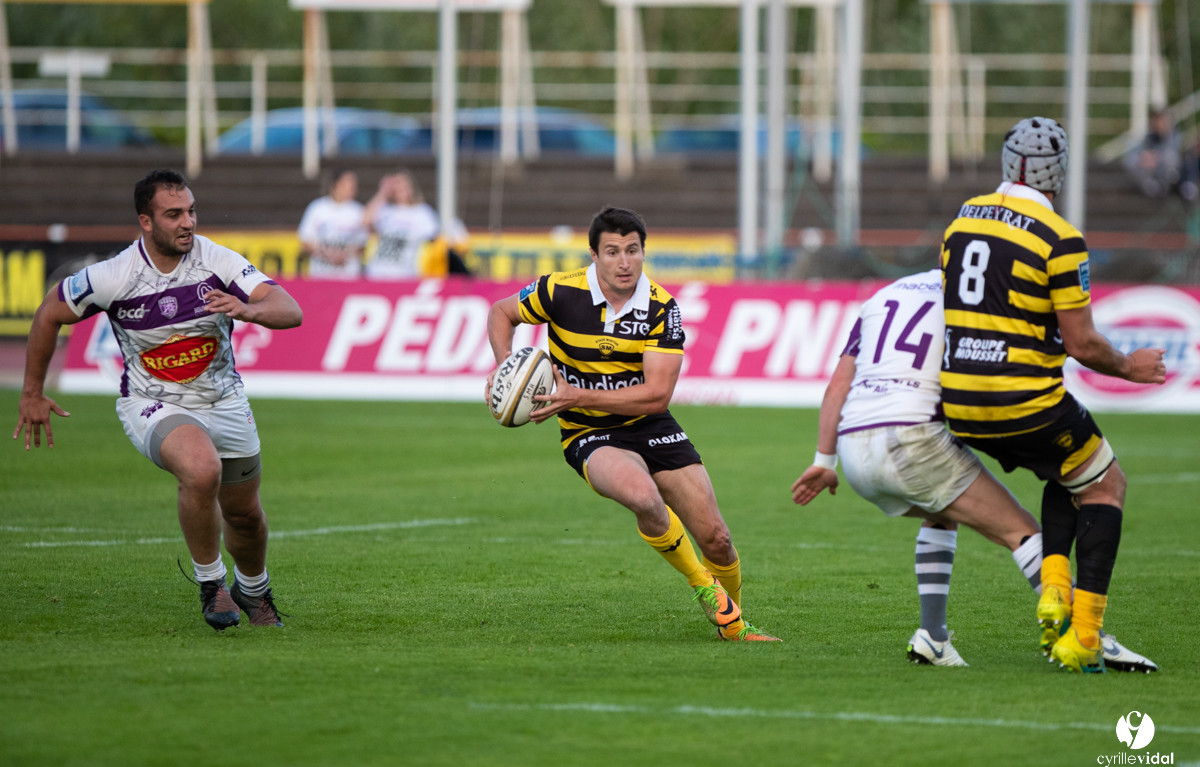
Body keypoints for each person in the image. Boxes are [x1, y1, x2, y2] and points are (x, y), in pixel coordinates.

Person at [790, 268, 1157, 672]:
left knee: (941, 512)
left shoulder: (883, 296)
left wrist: (824, 462)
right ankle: (1088, 636)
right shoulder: (971, 296)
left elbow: (837, 385)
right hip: (912, 438)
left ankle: (933, 637)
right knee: (1021, 530)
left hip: (854, 446)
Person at [13, 169, 304, 631]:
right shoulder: (114, 275)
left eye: (191, 211)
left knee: (245, 515)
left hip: (224, 399)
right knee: (201, 469)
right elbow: (50, 312)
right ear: (145, 222)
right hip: (152, 402)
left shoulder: (218, 260)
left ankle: (253, 589)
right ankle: (212, 584)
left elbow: (291, 309)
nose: (187, 222)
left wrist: (249, 309)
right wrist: (32, 392)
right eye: (174, 214)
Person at [485, 206, 779, 642]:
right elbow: (501, 312)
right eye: (612, 252)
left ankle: (731, 623)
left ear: (643, 251)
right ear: (594, 255)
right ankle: (718, 605)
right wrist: (505, 365)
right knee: (644, 498)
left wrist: (576, 394)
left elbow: (657, 395)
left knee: (717, 537)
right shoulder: (558, 290)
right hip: (588, 431)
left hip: (649, 422)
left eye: (632, 250)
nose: (624, 262)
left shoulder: (662, 308)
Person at [940, 117, 1166, 673]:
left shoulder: (961, 221)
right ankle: (1085, 635)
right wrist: (1130, 366)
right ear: (1058, 172)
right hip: (1023, 400)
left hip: (959, 401)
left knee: (1068, 472)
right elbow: (1082, 343)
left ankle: (1054, 593)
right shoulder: (1059, 238)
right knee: (1107, 484)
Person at [363, 170, 440, 280]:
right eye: (396, 185)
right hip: (377, 273)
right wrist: (383, 192)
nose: (400, 189)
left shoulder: (422, 212)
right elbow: (366, 221)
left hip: (405, 274)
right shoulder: (385, 209)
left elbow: (434, 238)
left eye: (403, 185)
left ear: (411, 188)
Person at [297, 168, 369, 279]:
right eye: (347, 182)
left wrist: (344, 255)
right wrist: (327, 255)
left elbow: (362, 245)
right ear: (335, 185)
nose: (352, 186)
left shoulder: (358, 211)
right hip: (320, 276)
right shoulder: (317, 208)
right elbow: (305, 242)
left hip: (349, 277)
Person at [1123, 107, 1183, 199]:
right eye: (1157, 121)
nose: (1159, 125)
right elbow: (1141, 151)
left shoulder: (1174, 135)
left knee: (1170, 159)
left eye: (1162, 121)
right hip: (1152, 168)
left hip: (1166, 169)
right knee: (1132, 161)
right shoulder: (1150, 136)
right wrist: (1146, 157)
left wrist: (1156, 157)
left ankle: (1165, 186)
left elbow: (1172, 151)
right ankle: (1151, 186)